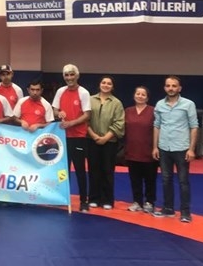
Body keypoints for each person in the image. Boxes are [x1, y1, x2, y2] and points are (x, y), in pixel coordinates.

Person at [153, 75, 199, 223]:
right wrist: (155, 147)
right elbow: (157, 126)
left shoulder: (188, 104)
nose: (171, 88)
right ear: (164, 88)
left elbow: (194, 126)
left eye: (174, 86)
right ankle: (168, 208)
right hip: (164, 148)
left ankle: (185, 212)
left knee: (183, 181)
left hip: (182, 148)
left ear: (179, 88)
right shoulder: (159, 104)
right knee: (166, 179)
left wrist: (191, 149)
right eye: (168, 86)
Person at [52, 64, 92, 213]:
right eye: (66, 75)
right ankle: (62, 198)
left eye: (71, 74)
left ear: (77, 76)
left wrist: (71, 123)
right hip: (62, 137)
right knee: (63, 170)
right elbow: (54, 110)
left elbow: (87, 115)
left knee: (80, 169)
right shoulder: (60, 91)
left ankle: (83, 201)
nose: (69, 78)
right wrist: (59, 113)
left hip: (78, 137)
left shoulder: (83, 92)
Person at [86, 76, 125, 210]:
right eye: (103, 82)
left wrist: (105, 138)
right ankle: (93, 198)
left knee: (107, 171)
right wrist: (94, 136)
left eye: (109, 83)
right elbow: (85, 119)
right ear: (99, 84)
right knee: (93, 170)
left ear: (112, 87)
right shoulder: (90, 100)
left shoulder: (117, 103)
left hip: (110, 142)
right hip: (92, 140)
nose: (106, 85)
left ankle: (107, 199)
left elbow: (119, 123)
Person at [124, 86, 158, 213]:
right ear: (134, 95)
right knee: (135, 179)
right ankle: (137, 201)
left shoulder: (154, 111)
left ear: (147, 98)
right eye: (138, 93)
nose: (140, 96)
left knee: (150, 179)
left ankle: (150, 202)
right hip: (132, 151)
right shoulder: (127, 111)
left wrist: (156, 147)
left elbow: (158, 129)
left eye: (143, 94)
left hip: (148, 151)